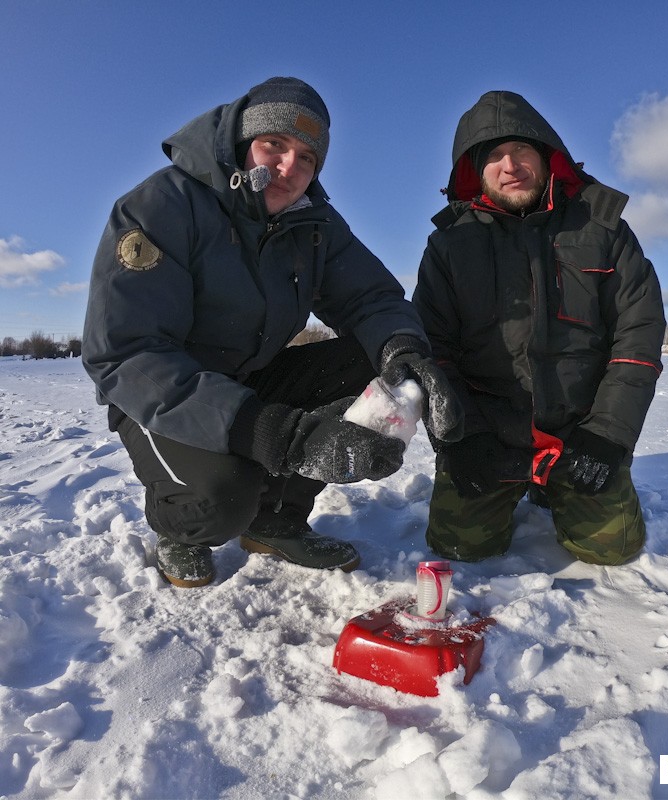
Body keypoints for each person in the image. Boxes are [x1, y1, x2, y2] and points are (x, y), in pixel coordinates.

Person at [83, 77, 462, 588]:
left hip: (252, 376)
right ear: (242, 144)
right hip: (159, 394)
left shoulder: (314, 224)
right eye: (275, 146)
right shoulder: (162, 206)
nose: (289, 168)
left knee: (374, 360)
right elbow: (126, 353)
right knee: (223, 498)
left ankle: (276, 520)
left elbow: (370, 299)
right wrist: (285, 436)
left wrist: (406, 359)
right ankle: (182, 526)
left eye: (307, 157)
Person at [413, 90, 665, 566]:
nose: (510, 165)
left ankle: (557, 488)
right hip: (490, 434)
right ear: (474, 171)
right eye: (494, 156)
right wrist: (460, 439)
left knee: (610, 549)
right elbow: (433, 350)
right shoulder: (449, 245)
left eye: (522, 150)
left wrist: (609, 435)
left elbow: (639, 336)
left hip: (581, 430)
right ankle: (514, 480)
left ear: (548, 158)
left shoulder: (604, 229)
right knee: (461, 548)